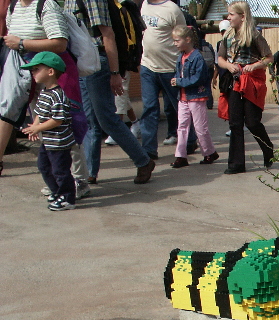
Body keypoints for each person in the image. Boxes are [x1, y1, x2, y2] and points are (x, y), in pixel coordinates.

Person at [65, 0, 155, 184]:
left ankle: (143, 161)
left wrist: (115, 73)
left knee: (106, 119)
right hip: (81, 61)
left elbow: (107, 34)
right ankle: (89, 173)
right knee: (89, 121)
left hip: (96, 61)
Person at [0, 0, 67, 177]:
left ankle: (75, 178)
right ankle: (53, 174)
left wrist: (22, 43)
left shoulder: (46, 5)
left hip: (47, 76)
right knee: (10, 110)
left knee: (57, 125)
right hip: (20, 71)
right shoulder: (14, 6)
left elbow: (60, 44)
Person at [216, 1, 274, 174]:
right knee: (235, 124)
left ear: (242, 16)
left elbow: (269, 58)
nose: (228, 17)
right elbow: (220, 59)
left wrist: (254, 66)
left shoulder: (254, 36)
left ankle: (267, 148)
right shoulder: (227, 36)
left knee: (252, 122)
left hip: (252, 82)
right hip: (235, 82)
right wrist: (228, 65)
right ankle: (236, 164)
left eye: (231, 14)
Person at [20, 51, 76, 210]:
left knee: (60, 171)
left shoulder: (58, 95)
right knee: (44, 166)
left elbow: (57, 120)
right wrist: (34, 126)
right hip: (48, 141)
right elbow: (39, 112)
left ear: (50, 71)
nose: (33, 72)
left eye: (36, 69)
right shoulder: (44, 92)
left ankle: (67, 198)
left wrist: (37, 128)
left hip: (59, 143)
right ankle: (57, 191)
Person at [139, 0, 185, 159]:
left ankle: (189, 140)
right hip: (147, 66)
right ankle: (149, 150)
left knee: (179, 108)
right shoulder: (144, 5)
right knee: (149, 108)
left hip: (170, 68)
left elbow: (184, 37)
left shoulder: (173, 9)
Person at [169, 25, 216, 168]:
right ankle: (181, 156)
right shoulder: (180, 57)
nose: (175, 43)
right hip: (183, 98)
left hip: (196, 97)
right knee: (182, 126)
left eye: (177, 40)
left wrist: (179, 82)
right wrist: (176, 80)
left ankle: (209, 152)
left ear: (188, 39)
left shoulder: (197, 57)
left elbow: (199, 78)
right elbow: (179, 73)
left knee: (200, 127)